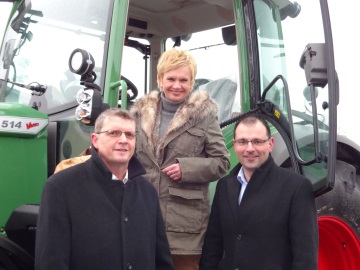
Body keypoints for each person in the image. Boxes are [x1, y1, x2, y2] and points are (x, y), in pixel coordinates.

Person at [35, 108, 174, 270]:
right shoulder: (60, 188)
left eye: (130, 135)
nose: (123, 140)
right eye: (114, 133)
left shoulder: (147, 192)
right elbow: (50, 262)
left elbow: (161, 259)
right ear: (95, 140)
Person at [130, 48, 230, 270]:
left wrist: (187, 168)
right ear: (160, 79)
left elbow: (222, 162)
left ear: (192, 81)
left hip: (183, 225)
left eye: (184, 80)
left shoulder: (204, 116)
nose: (177, 85)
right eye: (171, 79)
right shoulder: (137, 115)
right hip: (142, 216)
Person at [199, 113, 319, 270]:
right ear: (234, 145)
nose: (250, 149)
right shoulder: (224, 186)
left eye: (257, 142)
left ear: (270, 144)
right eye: (242, 142)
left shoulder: (296, 187)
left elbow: (305, 258)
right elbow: (212, 247)